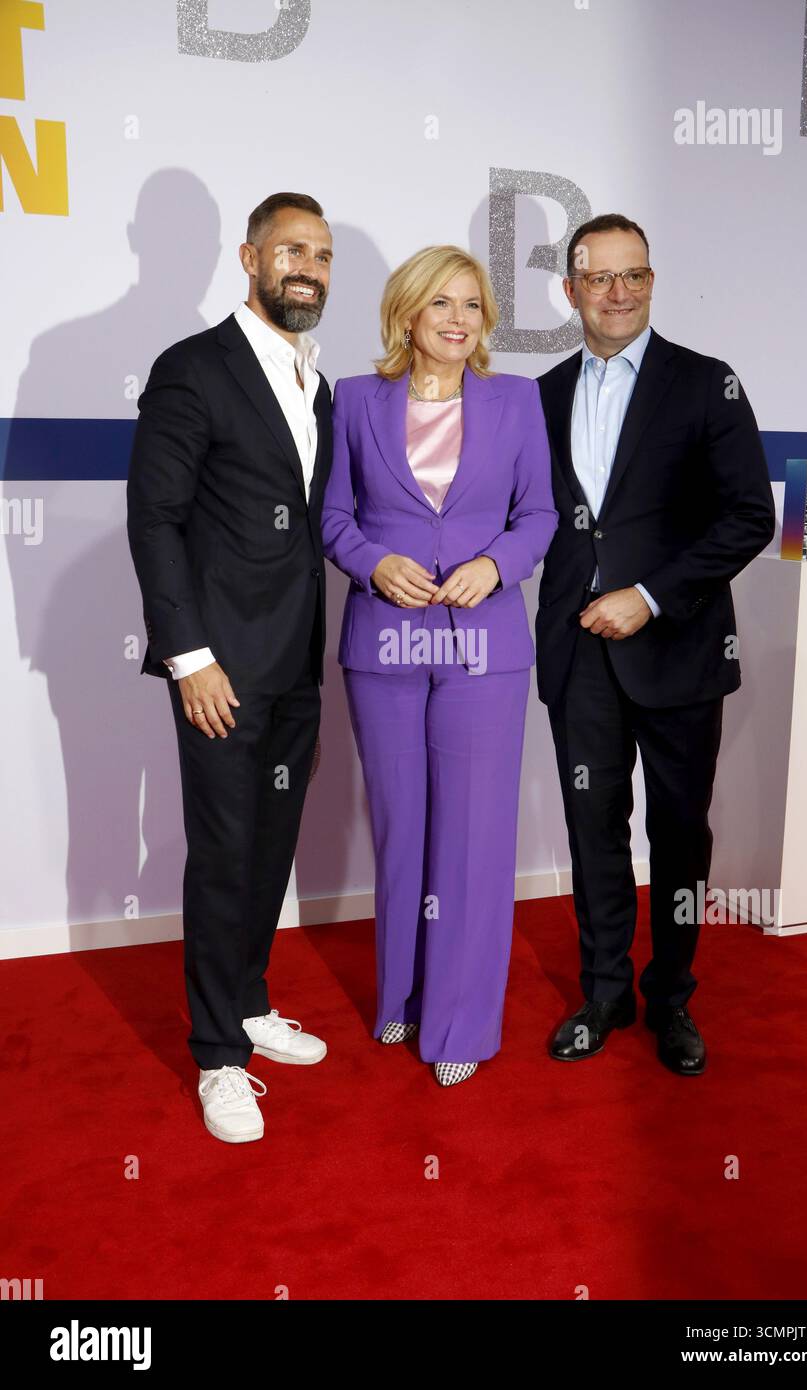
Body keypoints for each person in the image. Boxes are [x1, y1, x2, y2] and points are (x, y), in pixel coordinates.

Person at [535, 213, 775, 1075]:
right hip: (578, 655)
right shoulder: (542, 394)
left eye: (634, 275)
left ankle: (671, 998)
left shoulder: (708, 383)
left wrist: (649, 596)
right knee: (592, 828)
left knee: (679, 837)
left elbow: (751, 515)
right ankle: (604, 993)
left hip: (677, 649)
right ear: (571, 291)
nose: (619, 292)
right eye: (600, 278)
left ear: (651, 281)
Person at [321, 246, 557, 1086]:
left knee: (472, 837)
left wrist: (496, 566)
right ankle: (402, 998)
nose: (458, 320)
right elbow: (335, 515)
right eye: (441, 305)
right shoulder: (355, 399)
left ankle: (460, 1024)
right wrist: (369, 562)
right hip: (383, 645)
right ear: (407, 316)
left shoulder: (516, 402)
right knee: (401, 828)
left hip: (484, 646)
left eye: (471, 305)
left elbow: (539, 512)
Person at [127, 193, 333, 1142]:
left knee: (267, 847)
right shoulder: (192, 368)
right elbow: (155, 519)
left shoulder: (315, 382)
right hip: (217, 667)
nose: (309, 267)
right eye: (291, 249)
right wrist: (189, 657)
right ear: (250, 258)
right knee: (221, 855)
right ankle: (216, 1056)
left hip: (294, 663)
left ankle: (248, 1003)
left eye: (322, 255)